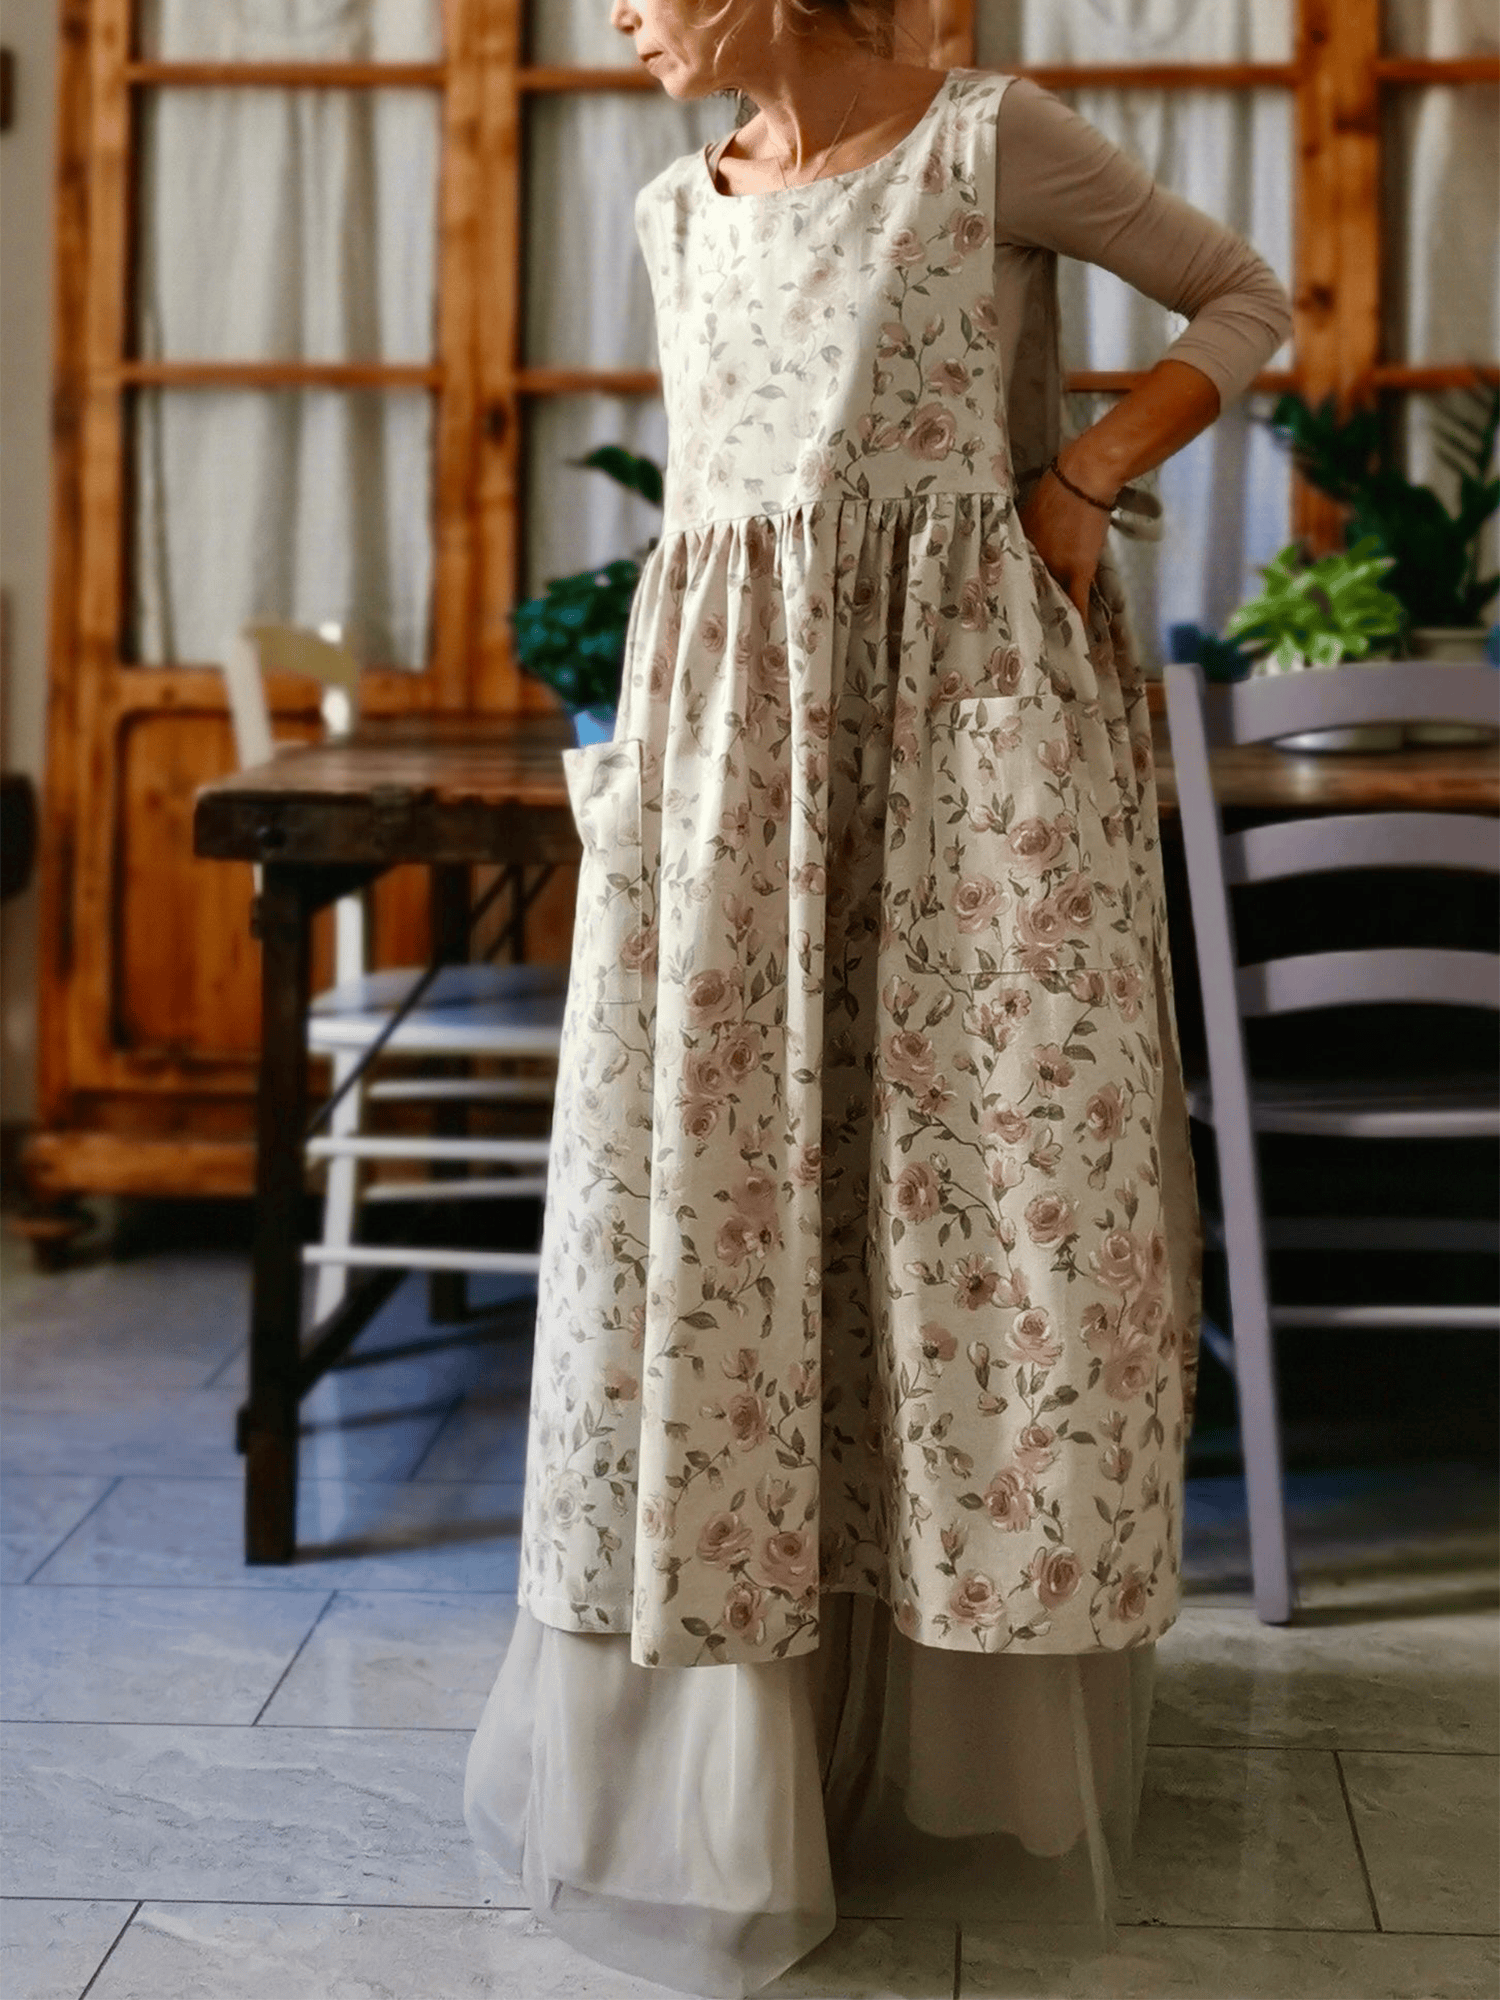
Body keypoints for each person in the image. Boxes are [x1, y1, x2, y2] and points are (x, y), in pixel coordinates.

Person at [465, 4, 1295, 1995]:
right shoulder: (676, 212)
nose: (617, 13)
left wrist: (1083, 476)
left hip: (964, 756)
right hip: (730, 782)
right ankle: (737, 1766)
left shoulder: (987, 144)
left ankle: (954, 1739)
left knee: (979, 1215)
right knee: (731, 1221)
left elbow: (1244, 299)